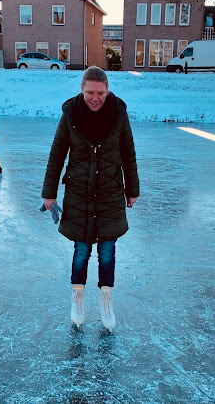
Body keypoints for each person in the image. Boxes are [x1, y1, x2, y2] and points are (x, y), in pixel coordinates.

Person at [41, 66, 139, 332]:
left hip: (109, 193)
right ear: (82, 89)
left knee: (107, 252)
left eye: (100, 93)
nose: (95, 98)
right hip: (79, 194)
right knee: (81, 251)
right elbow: (57, 153)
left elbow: (128, 153)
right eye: (90, 92)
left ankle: (106, 299)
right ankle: (78, 296)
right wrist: (49, 193)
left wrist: (132, 190)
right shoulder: (71, 115)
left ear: (107, 91)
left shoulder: (118, 115)